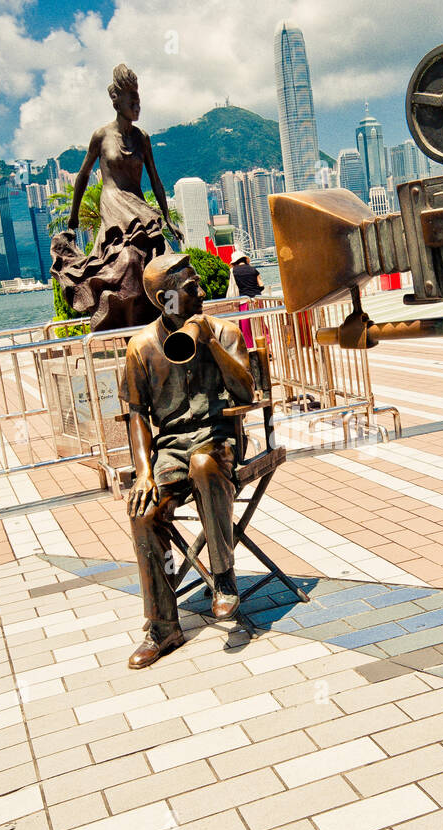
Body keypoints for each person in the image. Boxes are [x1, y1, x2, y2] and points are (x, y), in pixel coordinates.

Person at [123, 253, 255, 668]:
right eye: (190, 286)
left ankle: (223, 575)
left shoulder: (224, 330)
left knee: (203, 466)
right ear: (166, 299)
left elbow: (247, 393)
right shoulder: (141, 347)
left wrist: (210, 341)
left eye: (198, 283)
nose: (201, 291)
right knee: (144, 512)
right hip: (170, 450)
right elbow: (137, 416)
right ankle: (163, 627)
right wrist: (144, 473)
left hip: (220, 440)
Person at [52, 63, 184, 331]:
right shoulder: (101, 136)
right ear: (117, 101)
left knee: (166, 261)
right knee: (129, 260)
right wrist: (74, 216)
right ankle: (125, 320)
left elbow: (155, 180)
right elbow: (83, 176)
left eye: (139, 99)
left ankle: (172, 320)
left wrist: (167, 218)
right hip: (113, 203)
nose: (137, 105)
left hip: (138, 205)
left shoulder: (142, 138)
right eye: (132, 99)